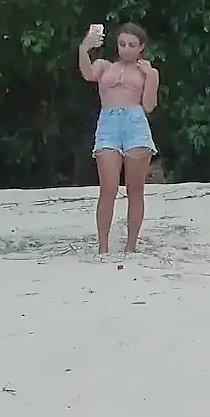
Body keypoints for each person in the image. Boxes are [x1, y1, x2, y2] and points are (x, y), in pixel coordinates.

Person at [77, 22, 159, 255]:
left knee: (135, 189)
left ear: (141, 47)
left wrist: (150, 76)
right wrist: (84, 48)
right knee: (108, 187)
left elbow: (149, 106)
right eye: (122, 44)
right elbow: (87, 74)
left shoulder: (147, 71)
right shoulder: (105, 66)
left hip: (135, 124)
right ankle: (103, 247)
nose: (126, 49)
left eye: (132, 45)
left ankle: (131, 245)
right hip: (109, 124)